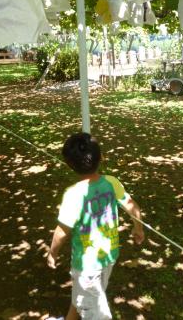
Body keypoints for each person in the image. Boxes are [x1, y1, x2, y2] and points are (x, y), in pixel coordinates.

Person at [47, 132, 144, 320]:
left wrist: (53, 253)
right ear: (102, 158)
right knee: (86, 296)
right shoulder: (111, 182)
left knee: (96, 310)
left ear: (69, 164)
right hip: (109, 255)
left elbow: (61, 232)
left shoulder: (73, 194)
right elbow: (133, 207)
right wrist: (138, 228)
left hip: (86, 265)